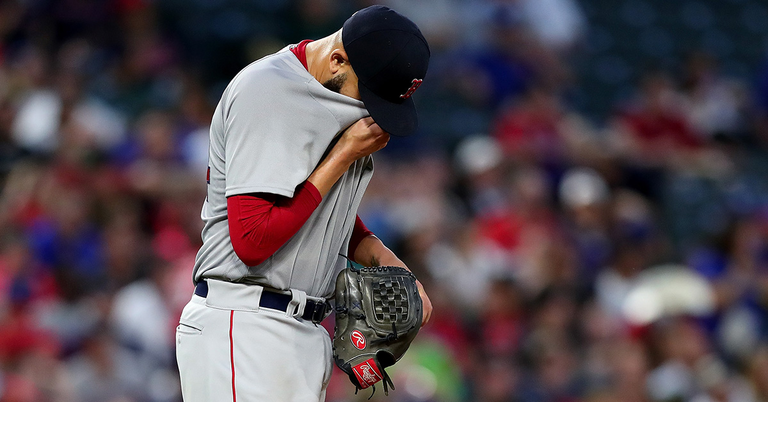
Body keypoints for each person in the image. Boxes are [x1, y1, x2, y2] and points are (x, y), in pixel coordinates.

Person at [174, 5, 433, 402]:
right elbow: (253, 240)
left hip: (299, 334)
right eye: (367, 95)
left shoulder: (329, 96)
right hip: (244, 325)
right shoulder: (267, 91)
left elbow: (320, 207)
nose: (369, 110)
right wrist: (342, 156)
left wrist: (385, 259)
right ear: (336, 60)